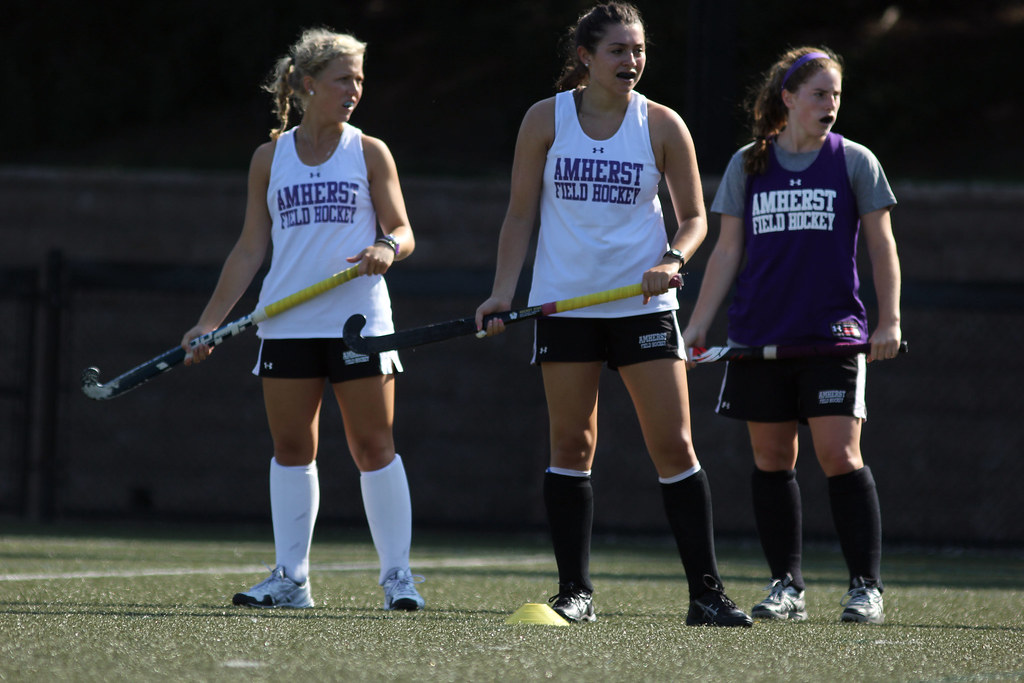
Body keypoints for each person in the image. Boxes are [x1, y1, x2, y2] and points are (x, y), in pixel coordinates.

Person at [475, 2, 751, 627]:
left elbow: (695, 218)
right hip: (565, 306)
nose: (632, 61)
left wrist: (672, 258)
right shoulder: (545, 119)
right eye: (618, 50)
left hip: (643, 309)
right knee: (572, 443)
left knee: (674, 443)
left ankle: (706, 594)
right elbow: (519, 213)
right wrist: (502, 292)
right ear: (585, 56)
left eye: (638, 50)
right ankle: (575, 592)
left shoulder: (662, 124)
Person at [181, 28, 424, 611]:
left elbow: (403, 230)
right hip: (286, 322)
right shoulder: (270, 158)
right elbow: (249, 249)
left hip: (358, 321)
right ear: (308, 84)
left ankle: (398, 578)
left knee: (374, 446)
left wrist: (387, 247)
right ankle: (291, 579)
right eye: (343, 80)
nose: (354, 90)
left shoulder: (369, 151)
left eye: (359, 80)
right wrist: (208, 322)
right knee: (292, 447)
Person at [682, 47, 902, 625]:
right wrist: (699, 324)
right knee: (772, 459)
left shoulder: (854, 160)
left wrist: (890, 321)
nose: (830, 104)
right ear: (788, 98)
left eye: (836, 94)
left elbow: (881, 245)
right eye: (819, 94)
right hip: (760, 337)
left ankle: (865, 587)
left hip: (832, 338)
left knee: (840, 455)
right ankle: (787, 585)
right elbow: (727, 251)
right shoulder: (749, 163)